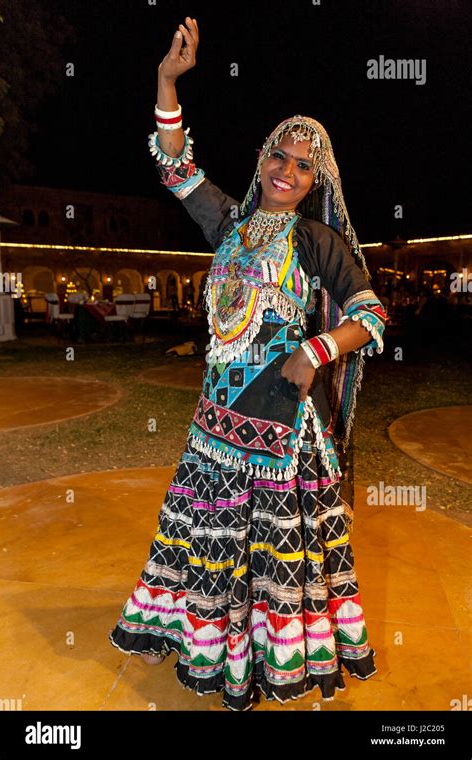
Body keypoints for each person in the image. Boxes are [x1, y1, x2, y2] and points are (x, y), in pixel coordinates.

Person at [108, 16, 387, 712]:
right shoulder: (227, 223)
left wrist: (315, 349)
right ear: (263, 157)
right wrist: (169, 82)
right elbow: (176, 167)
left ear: (315, 179)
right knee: (210, 546)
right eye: (279, 157)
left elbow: (372, 316)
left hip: (281, 434)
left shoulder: (319, 242)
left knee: (271, 559)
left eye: (303, 166)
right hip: (214, 428)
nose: (288, 173)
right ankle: (213, 651)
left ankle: (270, 664)